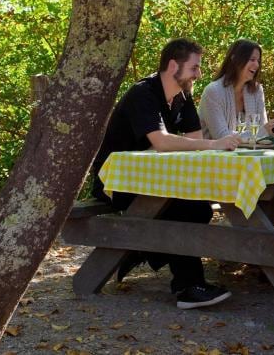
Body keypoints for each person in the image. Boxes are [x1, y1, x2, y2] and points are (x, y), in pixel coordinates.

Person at [91, 38, 241, 310]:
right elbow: (162, 141)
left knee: (200, 209)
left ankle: (143, 248)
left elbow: (194, 139)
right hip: (116, 182)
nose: (199, 74)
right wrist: (213, 144)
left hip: (156, 181)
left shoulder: (183, 96)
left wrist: (205, 145)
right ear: (173, 66)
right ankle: (188, 287)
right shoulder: (143, 93)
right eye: (194, 67)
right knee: (182, 209)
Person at [198, 39, 274, 141]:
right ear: (235, 60)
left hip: (250, 151)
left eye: (258, 61)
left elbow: (262, 137)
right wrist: (264, 130)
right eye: (252, 60)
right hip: (213, 151)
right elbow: (222, 136)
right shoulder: (213, 91)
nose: (257, 65)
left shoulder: (257, 91)